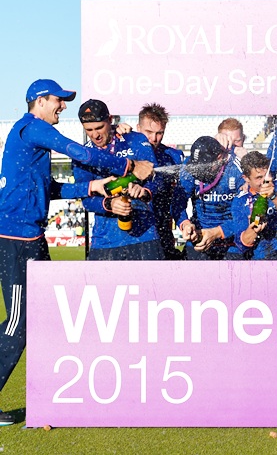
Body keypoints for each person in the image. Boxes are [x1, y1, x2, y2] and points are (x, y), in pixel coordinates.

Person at [0, 79, 152, 426]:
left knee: (41, 320)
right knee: (18, 325)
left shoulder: (30, 136)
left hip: (29, 238)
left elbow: (50, 186)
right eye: (59, 100)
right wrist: (127, 168)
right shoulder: (32, 128)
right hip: (16, 240)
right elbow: (79, 151)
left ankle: (56, 393)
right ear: (39, 101)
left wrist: (91, 185)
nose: (63, 106)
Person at [74, 99, 163, 260]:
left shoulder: (134, 140)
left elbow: (157, 178)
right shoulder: (82, 155)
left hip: (145, 237)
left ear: (110, 120)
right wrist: (110, 204)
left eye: (99, 127)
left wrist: (144, 192)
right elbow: (87, 201)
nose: (95, 134)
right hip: (105, 242)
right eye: (89, 130)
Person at [172, 135, 246, 260]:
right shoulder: (188, 168)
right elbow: (177, 204)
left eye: (204, 166)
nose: (199, 170)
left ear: (219, 158)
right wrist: (185, 224)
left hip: (232, 242)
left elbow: (246, 214)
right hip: (198, 237)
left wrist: (216, 232)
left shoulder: (237, 169)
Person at [136, 103, 185, 260]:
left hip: (162, 229)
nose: (153, 138)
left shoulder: (173, 157)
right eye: (148, 132)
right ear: (138, 128)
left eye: (159, 133)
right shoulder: (125, 150)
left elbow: (179, 197)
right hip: (134, 231)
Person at [231, 151, 277, 260]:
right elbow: (242, 244)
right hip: (261, 258)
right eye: (258, 177)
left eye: (267, 175)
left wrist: (273, 195)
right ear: (246, 178)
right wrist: (253, 230)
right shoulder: (240, 201)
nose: (264, 181)